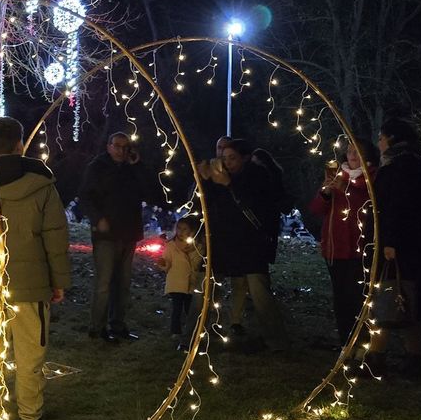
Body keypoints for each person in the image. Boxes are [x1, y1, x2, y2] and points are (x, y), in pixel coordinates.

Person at [0, 117, 70, 420]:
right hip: (30, 285)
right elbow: (55, 236)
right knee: (31, 356)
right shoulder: (41, 185)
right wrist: (59, 281)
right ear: (19, 144)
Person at [357, 118, 421, 380]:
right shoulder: (412, 163)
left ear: (392, 138)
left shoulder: (402, 166)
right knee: (409, 303)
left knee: (391, 297)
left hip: (401, 246)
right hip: (415, 246)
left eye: (381, 138)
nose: (379, 143)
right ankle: (410, 360)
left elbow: (399, 207)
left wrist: (390, 242)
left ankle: (376, 358)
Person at [197, 138, 287, 351]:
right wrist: (204, 181)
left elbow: (257, 206)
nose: (228, 162)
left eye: (232, 158)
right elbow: (207, 205)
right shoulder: (220, 178)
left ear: (244, 158)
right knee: (206, 290)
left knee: (259, 292)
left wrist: (229, 184)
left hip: (251, 244)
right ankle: (195, 335)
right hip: (223, 241)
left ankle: (276, 340)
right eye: (225, 158)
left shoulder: (256, 176)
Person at [78, 131, 164, 342]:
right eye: (117, 146)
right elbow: (86, 196)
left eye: (125, 147)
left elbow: (149, 191)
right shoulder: (97, 167)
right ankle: (97, 327)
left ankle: (118, 323)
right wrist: (98, 219)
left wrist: (138, 166)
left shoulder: (131, 169)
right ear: (109, 146)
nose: (121, 151)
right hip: (106, 233)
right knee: (105, 282)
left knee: (123, 283)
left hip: (128, 230)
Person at [307, 139, 379, 348]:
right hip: (336, 249)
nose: (353, 155)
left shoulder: (372, 178)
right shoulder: (338, 176)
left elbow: (367, 206)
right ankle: (346, 342)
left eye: (358, 151)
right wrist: (325, 193)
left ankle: (364, 343)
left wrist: (347, 189)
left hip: (360, 248)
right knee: (341, 298)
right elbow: (316, 210)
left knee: (361, 298)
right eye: (349, 151)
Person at [158, 216, 204, 351]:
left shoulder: (197, 246)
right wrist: (163, 264)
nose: (181, 232)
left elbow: (197, 264)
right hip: (176, 282)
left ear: (192, 231)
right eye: (179, 228)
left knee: (190, 309)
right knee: (177, 308)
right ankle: (176, 330)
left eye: (185, 229)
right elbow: (167, 262)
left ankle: (190, 330)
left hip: (190, 283)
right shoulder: (171, 245)